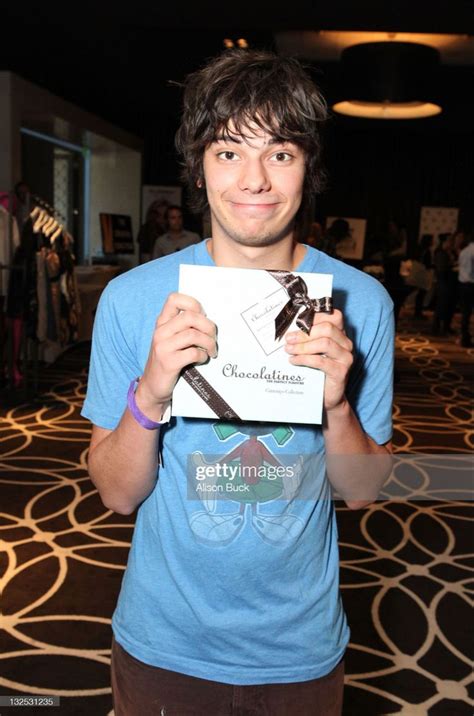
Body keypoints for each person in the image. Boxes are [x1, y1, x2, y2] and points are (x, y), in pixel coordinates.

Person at [81, 48, 394, 716]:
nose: (254, 179)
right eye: (228, 152)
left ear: (308, 166)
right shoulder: (133, 300)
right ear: (197, 165)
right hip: (165, 641)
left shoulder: (361, 302)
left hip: (300, 644)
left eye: (280, 153)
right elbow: (114, 493)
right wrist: (152, 394)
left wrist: (337, 403)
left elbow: (364, 491)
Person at [136, 199, 169, 263]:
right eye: (158, 215)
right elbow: (141, 244)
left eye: (164, 215)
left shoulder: (168, 230)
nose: (161, 218)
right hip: (148, 258)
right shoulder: (145, 228)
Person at [458, 233, 474, 347]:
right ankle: (466, 338)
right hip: (471, 285)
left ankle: (464, 337)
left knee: (465, 313)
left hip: (462, 285)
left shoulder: (464, 251)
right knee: (467, 313)